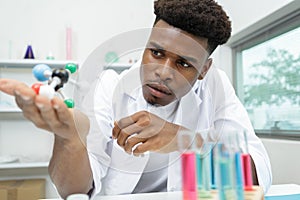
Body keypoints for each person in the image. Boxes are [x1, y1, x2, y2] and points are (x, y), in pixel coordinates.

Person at [0, 0, 272, 198]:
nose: (163, 73)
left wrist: (184, 139)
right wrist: (69, 138)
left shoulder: (216, 87)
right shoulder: (107, 88)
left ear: (204, 70)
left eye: (184, 64)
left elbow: (258, 173)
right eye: (156, 53)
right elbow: (72, 189)